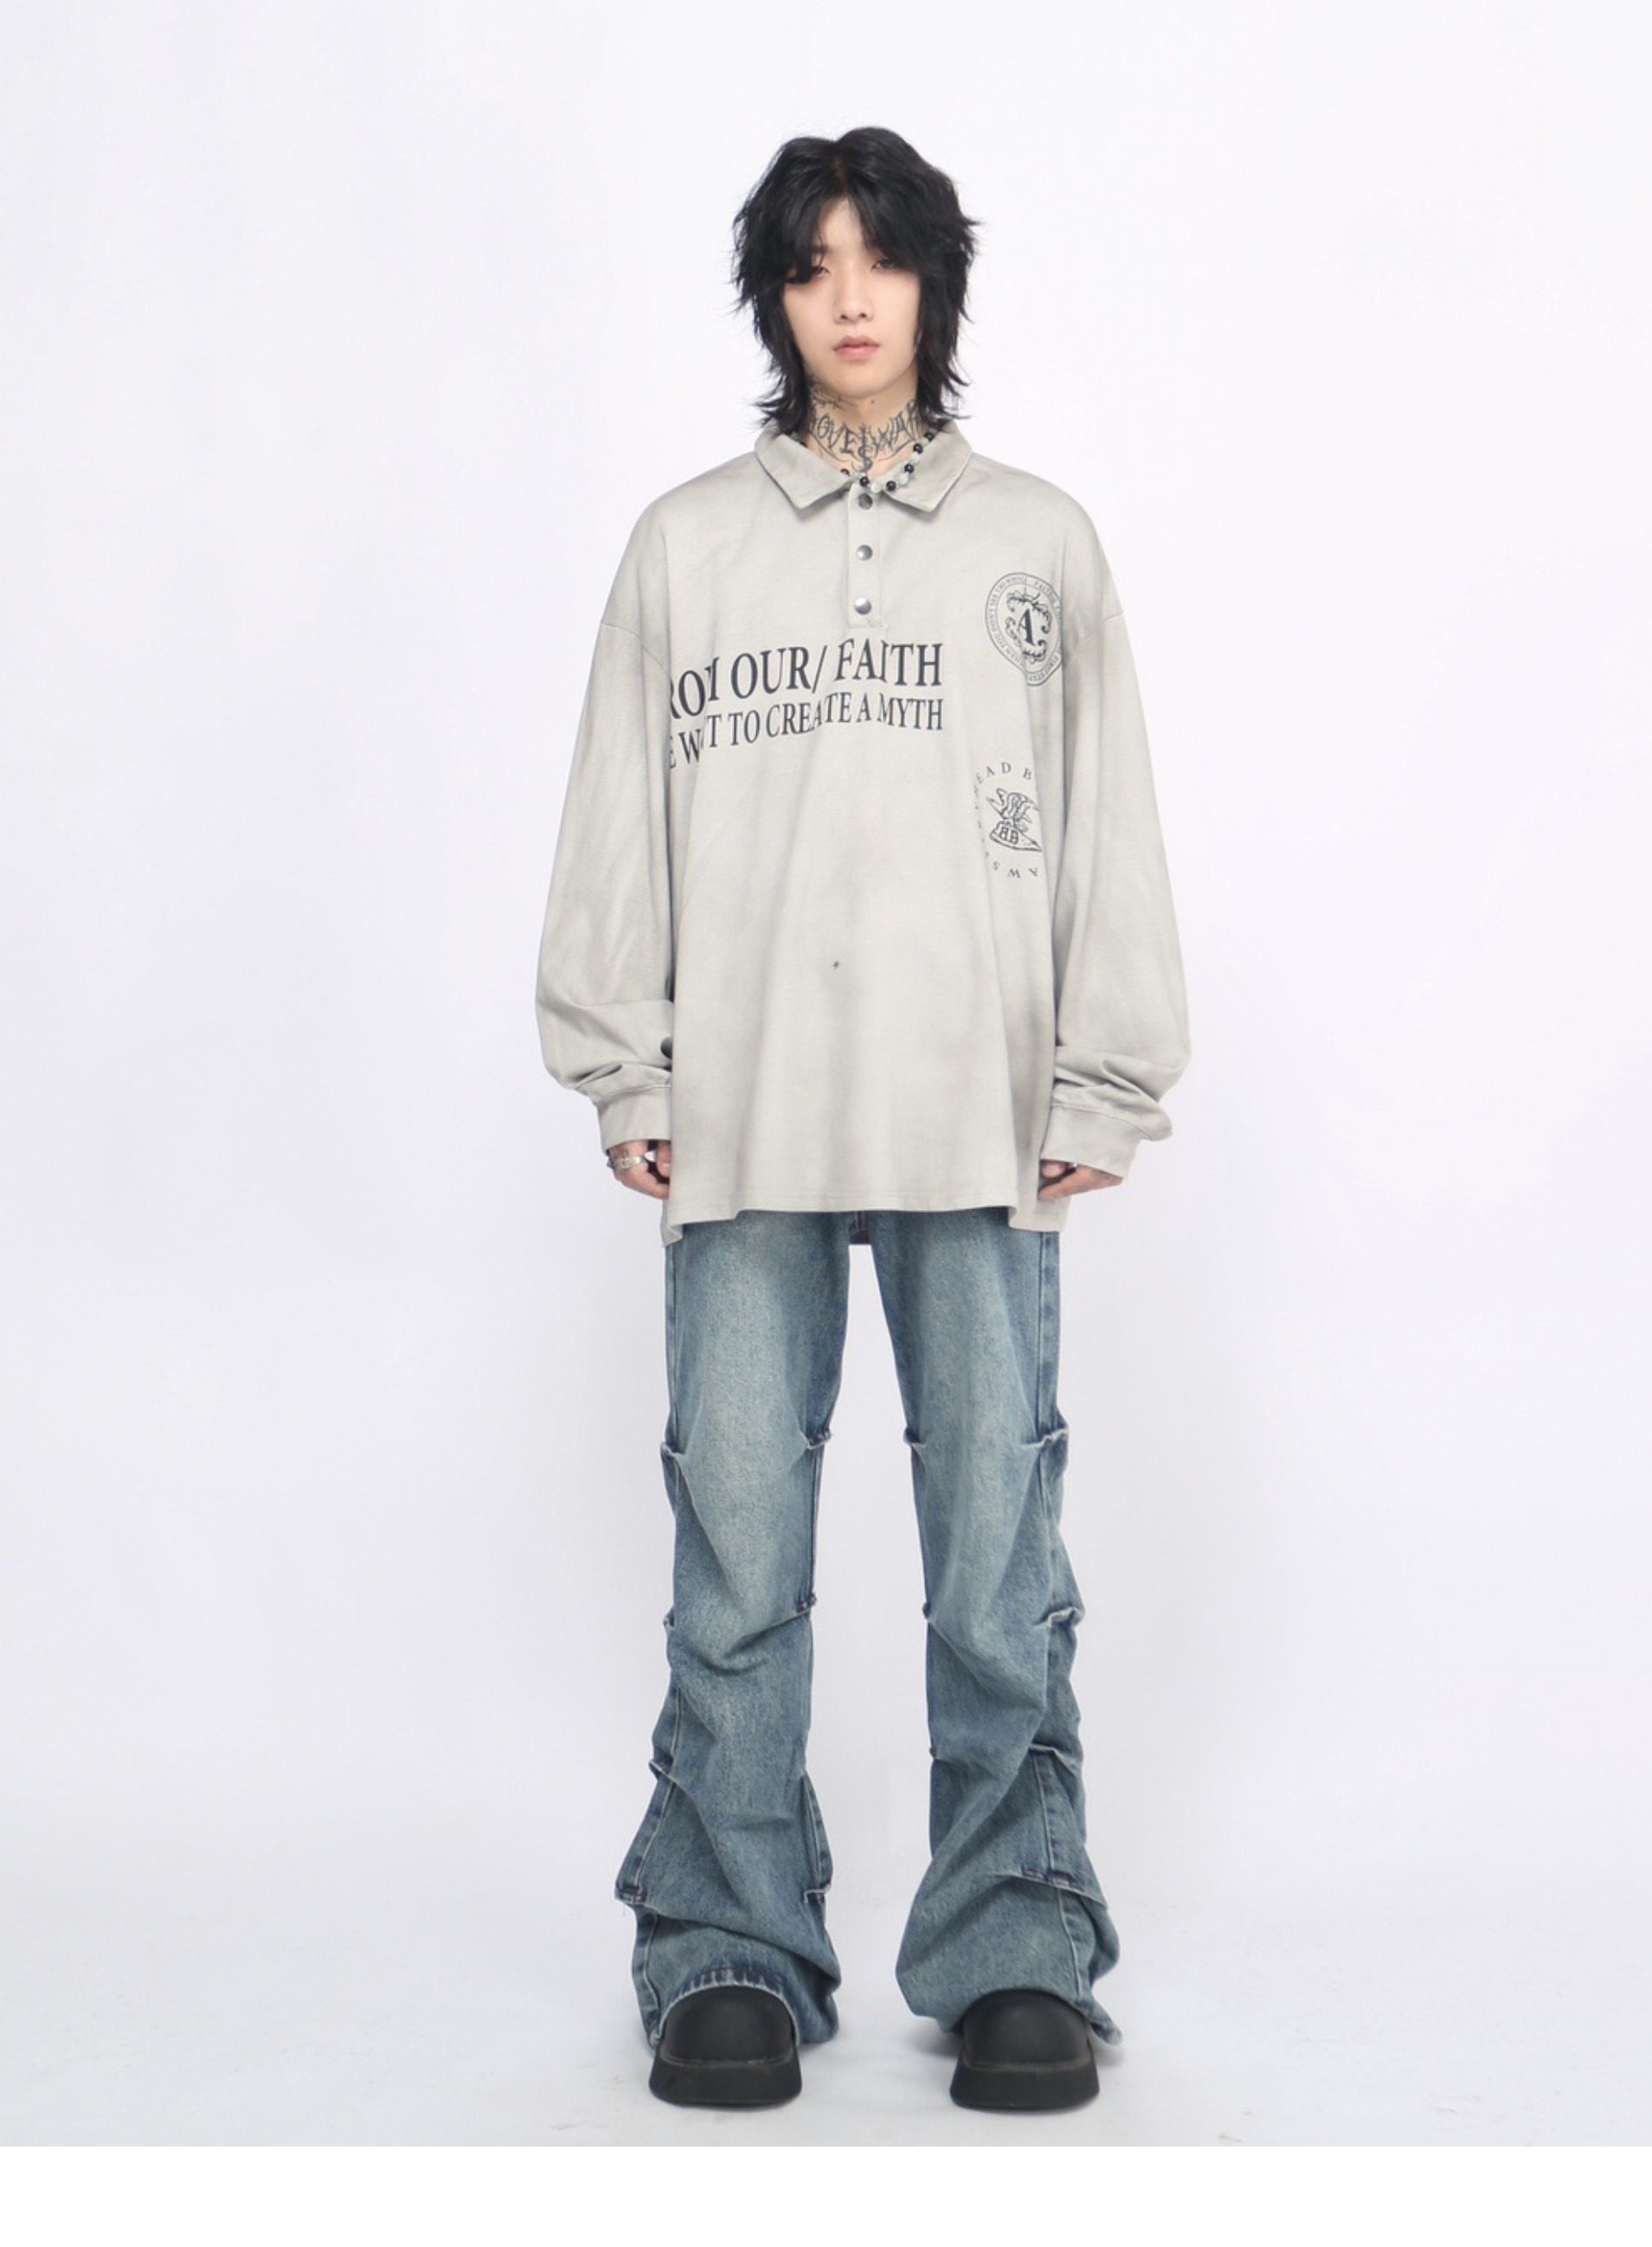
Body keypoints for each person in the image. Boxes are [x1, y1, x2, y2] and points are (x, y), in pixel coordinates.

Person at [535, 126, 1189, 2112]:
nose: (847, 297)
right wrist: (628, 1056)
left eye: (879, 261)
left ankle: (1014, 1940)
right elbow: (617, 814)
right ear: (773, 293)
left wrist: (1101, 1069)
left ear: (931, 287)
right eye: (811, 263)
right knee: (736, 1547)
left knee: (996, 1551)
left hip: (976, 1107)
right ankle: (726, 1938)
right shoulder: (686, 546)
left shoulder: (1036, 544)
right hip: (740, 1106)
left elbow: (1107, 814)